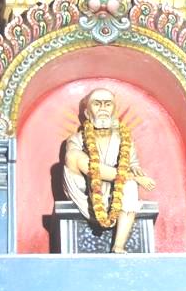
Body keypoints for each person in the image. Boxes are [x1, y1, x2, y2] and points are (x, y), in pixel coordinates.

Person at [63, 89, 155, 253]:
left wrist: (135, 170)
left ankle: (118, 245)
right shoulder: (76, 139)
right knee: (73, 155)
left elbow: (132, 161)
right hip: (85, 188)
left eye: (107, 104)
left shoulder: (124, 138)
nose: (103, 108)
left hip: (115, 190)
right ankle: (128, 178)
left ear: (114, 110)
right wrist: (131, 177)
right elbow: (85, 166)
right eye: (97, 104)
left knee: (130, 186)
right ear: (87, 112)